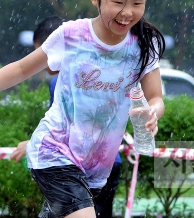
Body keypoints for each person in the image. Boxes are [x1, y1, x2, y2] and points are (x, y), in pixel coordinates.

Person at [0, 0, 166, 218]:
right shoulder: (72, 35)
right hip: (54, 153)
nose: (127, 13)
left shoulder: (144, 44)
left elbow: (156, 98)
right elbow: (22, 68)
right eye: (118, 2)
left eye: (137, 3)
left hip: (95, 167)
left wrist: (153, 112)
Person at [9, 15, 124, 218]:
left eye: (40, 52)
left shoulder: (60, 82)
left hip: (77, 165)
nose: (41, 62)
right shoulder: (98, 72)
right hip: (109, 161)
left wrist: (31, 145)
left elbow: (67, 133)